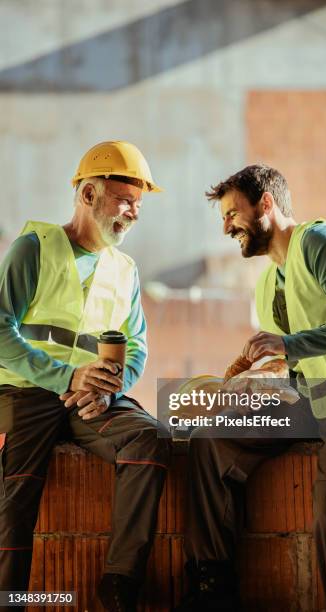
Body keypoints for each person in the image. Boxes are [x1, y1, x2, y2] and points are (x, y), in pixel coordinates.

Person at [176, 164, 326, 612]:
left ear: (266, 203)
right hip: (318, 403)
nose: (226, 226)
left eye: (232, 213)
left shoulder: (322, 241)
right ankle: (212, 591)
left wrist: (287, 344)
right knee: (211, 440)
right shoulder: (267, 284)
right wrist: (267, 374)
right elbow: (304, 354)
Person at [0, 141, 171, 612]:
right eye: (124, 199)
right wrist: (65, 377)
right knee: (16, 494)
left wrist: (112, 384)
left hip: (89, 399)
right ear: (88, 193)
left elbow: (136, 345)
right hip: (26, 389)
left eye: (138, 204)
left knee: (149, 440)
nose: (133, 213)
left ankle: (119, 586)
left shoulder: (126, 270)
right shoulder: (33, 248)